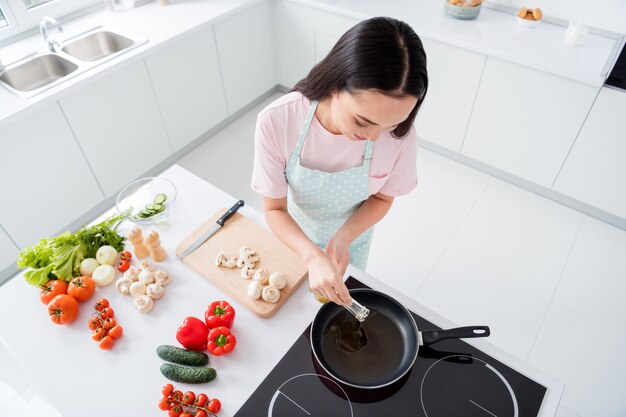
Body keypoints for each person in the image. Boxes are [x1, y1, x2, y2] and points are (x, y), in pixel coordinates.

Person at [251, 16, 428, 306]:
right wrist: (310, 254)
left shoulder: (399, 137)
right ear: (335, 85)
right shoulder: (278, 120)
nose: (374, 137)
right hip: (294, 235)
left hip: (353, 239)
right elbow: (273, 208)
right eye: (363, 121)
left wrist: (343, 238)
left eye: (388, 124)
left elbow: (382, 200)